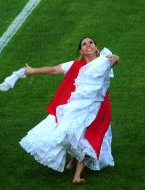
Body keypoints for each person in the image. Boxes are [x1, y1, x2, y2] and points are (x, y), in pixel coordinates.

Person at [19, 37, 119, 184]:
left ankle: (77, 175)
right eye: (84, 44)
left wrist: (117, 57)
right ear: (81, 51)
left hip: (97, 109)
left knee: (87, 137)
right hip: (78, 106)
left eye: (91, 42)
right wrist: (33, 70)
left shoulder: (104, 61)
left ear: (97, 48)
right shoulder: (74, 65)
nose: (88, 45)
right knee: (73, 132)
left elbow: (115, 61)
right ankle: (74, 162)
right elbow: (54, 70)